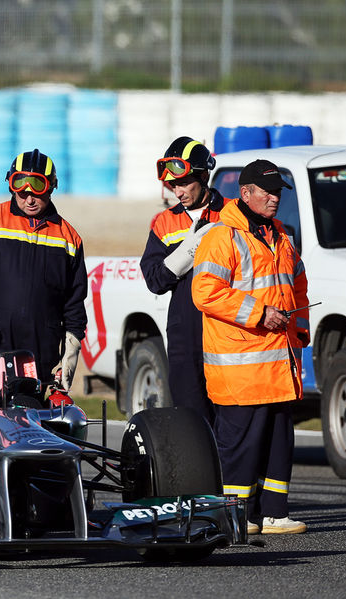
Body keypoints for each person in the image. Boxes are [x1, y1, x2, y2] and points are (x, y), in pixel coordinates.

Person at [191, 159, 310, 535]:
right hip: (240, 369)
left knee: (278, 444)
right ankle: (236, 518)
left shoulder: (282, 237)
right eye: (268, 192)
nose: (275, 198)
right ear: (246, 193)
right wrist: (260, 313)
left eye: (278, 192)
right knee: (240, 449)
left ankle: (272, 514)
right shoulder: (221, 236)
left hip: (278, 367)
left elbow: (299, 289)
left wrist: (301, 332)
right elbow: (205, 292)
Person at [0, 149, 87, 394]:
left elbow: (74, 303)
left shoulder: (69, 237)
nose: (29, 200)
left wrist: (70, 354)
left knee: (32, 426)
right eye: (22, 193)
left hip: (39, 359)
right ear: (11, 186)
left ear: (52, 188)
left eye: (37, 193)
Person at [139, 137, 226, 424]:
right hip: (185, 336)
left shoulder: (232, 214)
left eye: (184, 183)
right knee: (192, 422)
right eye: (172, 185)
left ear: (203, 177)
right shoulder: (164, 222)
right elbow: (154, 280)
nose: (177, 191)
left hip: (227, 332)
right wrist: (186, 252)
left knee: (228, 421)